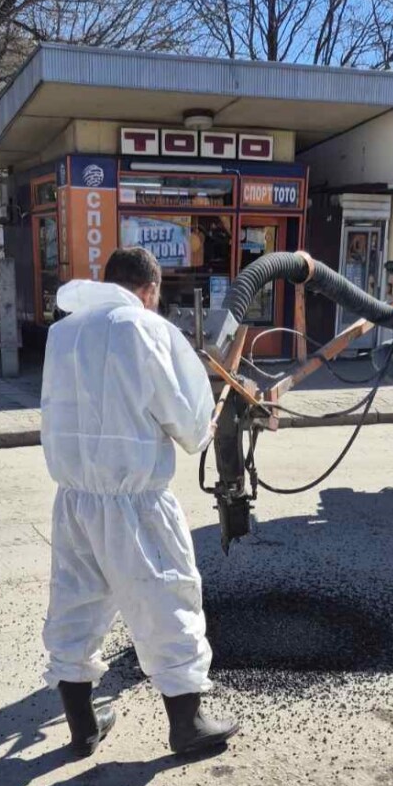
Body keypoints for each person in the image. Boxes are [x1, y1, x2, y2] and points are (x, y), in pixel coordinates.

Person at [41, 246, 239, 758]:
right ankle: (188, 723)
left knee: (75, 603)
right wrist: (206, 419)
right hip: (136, 501)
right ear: (149, 290)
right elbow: (192, 428)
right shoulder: (147, 330)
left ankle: (83, 726)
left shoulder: (62, 334)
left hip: (74, 500)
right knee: (166, 599)